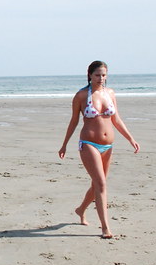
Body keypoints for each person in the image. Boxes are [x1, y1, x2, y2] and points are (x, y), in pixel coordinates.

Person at [58, 61, 140, 239]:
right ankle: (105, 228)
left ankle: (80, 210)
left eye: (103, 75)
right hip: (88, 144)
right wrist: (64, 144)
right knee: (102, 184)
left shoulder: (110, 93)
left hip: (108, 146)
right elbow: (74, 121)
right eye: (97, 75)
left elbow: (116, 119)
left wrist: (131, 138)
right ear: (89, 75)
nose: (101, 78)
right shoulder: (80, 96)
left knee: (96, 184)